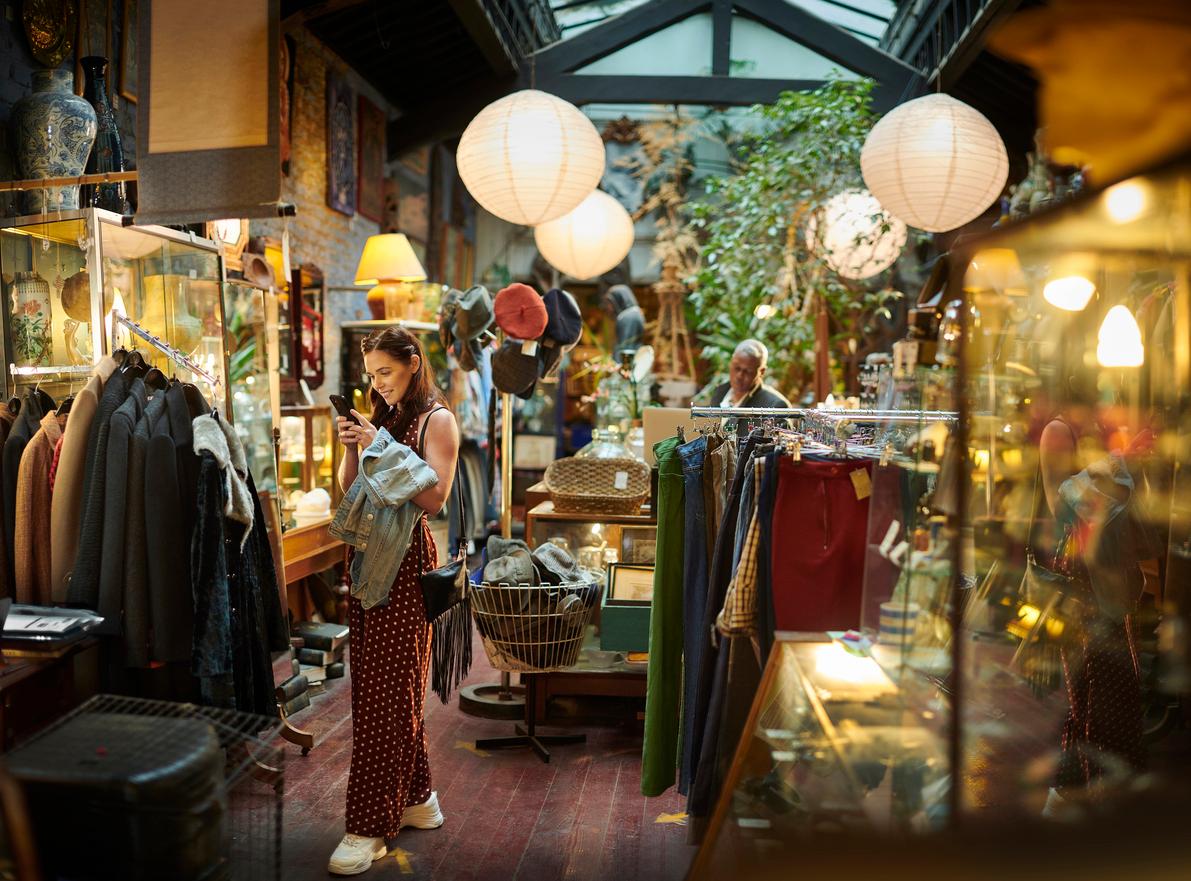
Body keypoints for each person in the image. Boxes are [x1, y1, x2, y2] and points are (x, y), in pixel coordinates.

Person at [328, 326, 460, 876]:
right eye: (372, 375)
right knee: (380, 689)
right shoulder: (382, 415)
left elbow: (434, 497)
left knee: (391, 691)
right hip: (369, 558)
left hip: (407, 561)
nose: (377, 384)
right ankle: (417, 799)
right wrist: (355, 448)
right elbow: (347, 489)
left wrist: (379, 445)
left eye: (385, 372)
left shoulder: (437, 420)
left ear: (412, 363)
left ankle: (369, 826)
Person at [709, 339, 792, 410]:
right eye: (737, 368)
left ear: (761, 372)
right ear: (731, 363)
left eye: (748, 372)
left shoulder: (774, 407)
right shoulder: (720, 392)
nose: (739, 376)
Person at [602, 284, 645, 358]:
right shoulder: (633, 313)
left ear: (619, 299)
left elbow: (625, 346)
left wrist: (618, 363)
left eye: (610, 303)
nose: (609, 308)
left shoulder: (628, 316)